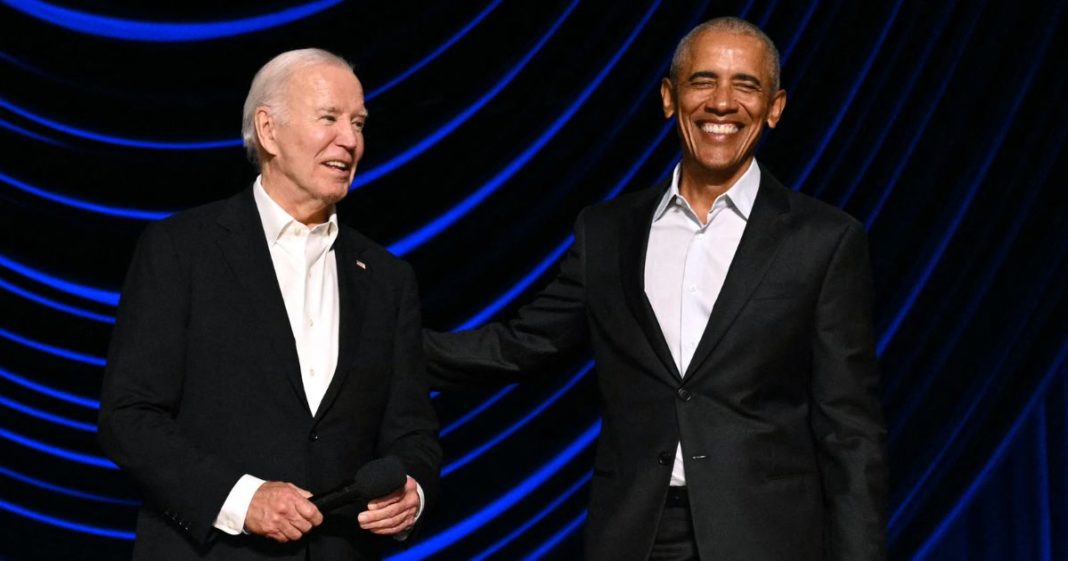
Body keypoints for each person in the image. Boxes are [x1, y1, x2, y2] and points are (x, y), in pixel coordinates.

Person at [424, 17, 886, 561]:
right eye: (703, 81)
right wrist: (367, 340)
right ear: (670, 97)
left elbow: (849, 429)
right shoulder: (607, 232)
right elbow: (522, 346)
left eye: (746, 85)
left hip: (768, 537)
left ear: (776, 107)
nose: (722, 103)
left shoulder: (824, 240)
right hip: (636, 534)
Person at [98, 48, 441, 561]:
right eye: (329, 118)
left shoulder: (388, 278)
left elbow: (412, 429)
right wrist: (240, 498)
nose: (350, 140)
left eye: (359, 123)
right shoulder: (182, 249)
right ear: (268, 130)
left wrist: (412, 491)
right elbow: (128, 416)